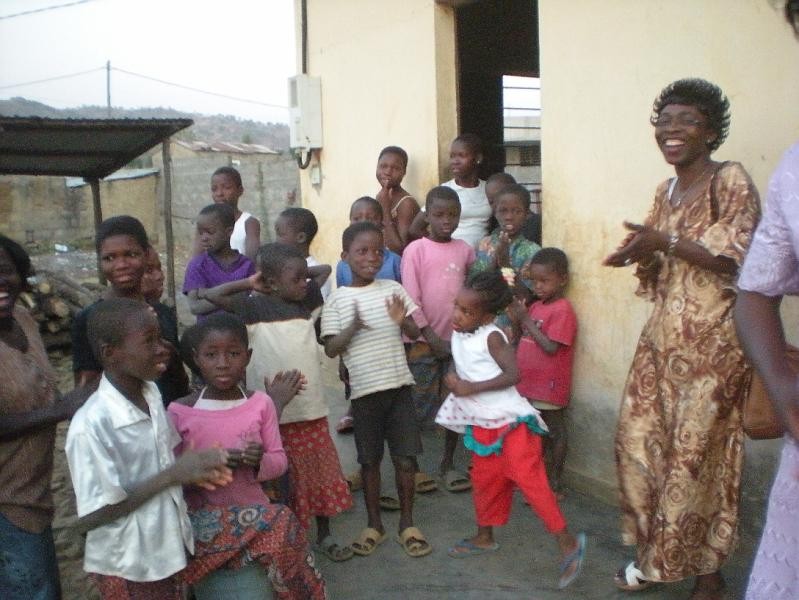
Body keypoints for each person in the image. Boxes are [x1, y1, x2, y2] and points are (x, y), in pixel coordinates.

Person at [603, 78, 760, 599]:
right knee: (639, 444)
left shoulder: (729, 179)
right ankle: (657, 554)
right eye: (665, 122)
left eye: (687, 121)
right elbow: (662, 257)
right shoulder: (664, 191)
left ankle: (708, 576)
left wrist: (664, 240)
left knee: (697, 460)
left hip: (716, 346)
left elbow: (731, 257)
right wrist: (640, 253)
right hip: (661, 344)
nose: (672, 131)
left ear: (711, 133)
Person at [65, 298, 232, 599]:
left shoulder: (151, 392)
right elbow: (93, 516)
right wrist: (173, 475)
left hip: (166, 544)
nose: (162, 348)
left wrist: (194, 470)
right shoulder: (90, 426)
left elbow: (164, 462)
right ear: (109, 353)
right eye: (149, 341)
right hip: (130, 564)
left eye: (160, 337)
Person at [202, 243, 354, 562]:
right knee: (282, 483)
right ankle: (292, 541)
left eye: (303, 277)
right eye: (297, 278)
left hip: (310, 411)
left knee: (317, 476)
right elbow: (213, 295)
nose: (305, 283)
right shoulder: (252, 307)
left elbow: (323, 272)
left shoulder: (308, 302)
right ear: (269, 282)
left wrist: (294, 272)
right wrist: (251, 281)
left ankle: (324, 535)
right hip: (273, 416)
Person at [435, 271, 585, 589]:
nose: (457, 315)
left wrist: (470, 388)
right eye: (456, 307)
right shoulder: (460, 334)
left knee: (531, 482)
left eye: (466, 311)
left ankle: (567, 542)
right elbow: (459, 362)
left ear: (487, 315)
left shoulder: (492, 336)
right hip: (483, 423)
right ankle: (485, 536)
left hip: (511, 423)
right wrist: (452, 377)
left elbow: (513, 374)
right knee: (485, 480)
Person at [168, 313, 327, 598]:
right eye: (211, 354)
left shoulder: (260, 404)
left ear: (248, 356)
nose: (223, 363)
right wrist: (206, 465)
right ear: (196, 358)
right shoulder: (180, 411)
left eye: (233, 353)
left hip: (255, 516)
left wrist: (257, 462)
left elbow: (279, 461)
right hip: (204, 518)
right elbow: (173, 477)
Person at [321, 221, 432, 558]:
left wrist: (402, 321)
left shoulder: (393, 288)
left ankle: (407, 523)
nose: (371, 258)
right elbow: (331, 348)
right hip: (365, 397)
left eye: (377, 252)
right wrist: (353, 326)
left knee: (406, 459)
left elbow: (414, 331)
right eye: (362, 251)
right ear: (345, 256)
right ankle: (375, 525)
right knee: (369, 462)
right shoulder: (338, 300)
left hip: (398, 389)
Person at [0, 235, 92, 600]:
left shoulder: (23, 319)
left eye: (5, 270)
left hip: (32, 493)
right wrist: (61, 409)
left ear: (21, 275)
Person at [402, 186, 475, 493]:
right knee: (418, 404)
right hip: (423, 342)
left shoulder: (465, 250)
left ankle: (448, 462)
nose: (447, 221)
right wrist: (430, 336)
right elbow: (410, 298)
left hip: (457, 342)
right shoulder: (415, 250)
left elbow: (472, 293)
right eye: (439, 215)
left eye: (453, 215)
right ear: (427, 216)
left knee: (454, 402)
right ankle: (415, 468)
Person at [72, 215, 189, 404]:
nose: (121, 265)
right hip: (121, 424)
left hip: (166, 417)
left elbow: (179, 385)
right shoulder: (90, 319)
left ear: (146, 254)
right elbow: (85, 391)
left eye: (131, 255)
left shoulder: (163, 314)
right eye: (110, 258)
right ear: (100, 263)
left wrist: (171, 356)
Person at [508, 248, 576, 498]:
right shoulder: (535, 307)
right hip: (529, 384)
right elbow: (521, 339)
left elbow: (550, 347)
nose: (538, 286)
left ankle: (555, 480)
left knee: (555, 431)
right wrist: (518, 319)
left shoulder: (562, 309)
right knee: (535, 434)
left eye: (545, 281)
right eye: (535, 281)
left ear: (563, 279)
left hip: (549, 385)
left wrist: (525, 319)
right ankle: (535, 479)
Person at [335, 196, 402, 435]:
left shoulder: (394, 261)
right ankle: (354, 411)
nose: (363, 222)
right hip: (357, 337)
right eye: (356, 218)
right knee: (356, 378)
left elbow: (402, 303)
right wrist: (342, 357)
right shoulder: (342, 266)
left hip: (388, 338)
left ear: (382, 223)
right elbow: (342, 310)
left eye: (371, 218)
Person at [409, 134, 492, 248]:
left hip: (483, 259)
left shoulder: (488, 188)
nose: (455, 161)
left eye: (461, 156)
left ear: (478, 158)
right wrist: (442, 247)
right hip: (454, 260)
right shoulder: (445, 191)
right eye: (452, 156)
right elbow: (415, 229)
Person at [184, 203, 255, 322]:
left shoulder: (246, 265)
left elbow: (252, 303)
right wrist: (236, 297)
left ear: (229, 232)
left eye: (210, 232)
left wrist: (208, 294)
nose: (204, 238)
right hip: (209, 335)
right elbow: (195, 307)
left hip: (241, 334)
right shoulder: (198, 265)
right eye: (201, 233)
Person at [274, 207, 333, 301]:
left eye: (280, 234)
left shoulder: (318, 274)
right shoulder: (280, 266)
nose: (276, 240)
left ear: (301, 237)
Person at [374, 146, 421, 255]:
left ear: (404, 172)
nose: (388, 172)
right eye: (383, 166)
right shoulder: (381, 197)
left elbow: (399, 249)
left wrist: (385, 209)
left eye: (395, 168)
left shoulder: (406, 203)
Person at [211, 166, 260, 260]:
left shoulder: (249, 223)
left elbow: (251, 260)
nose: (219, 193)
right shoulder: (206, 224)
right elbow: (195, 260)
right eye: (214, 189)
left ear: (240, 190)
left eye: (226, 188)